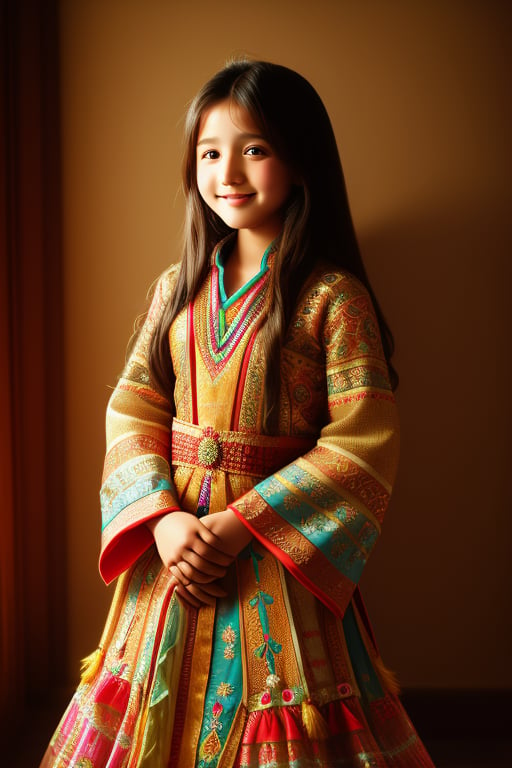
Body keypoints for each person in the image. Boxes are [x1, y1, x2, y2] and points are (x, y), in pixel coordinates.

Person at [41, 60, 435, 768]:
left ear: (299, 159)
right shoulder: (177, 289)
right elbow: (134, 405)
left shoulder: (332, 298)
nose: (229, 172)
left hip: (274, 557)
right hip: (174, 549)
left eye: (254, 149)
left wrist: (237, 524)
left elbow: (364, 437)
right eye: (210, 152)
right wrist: (162, 519)